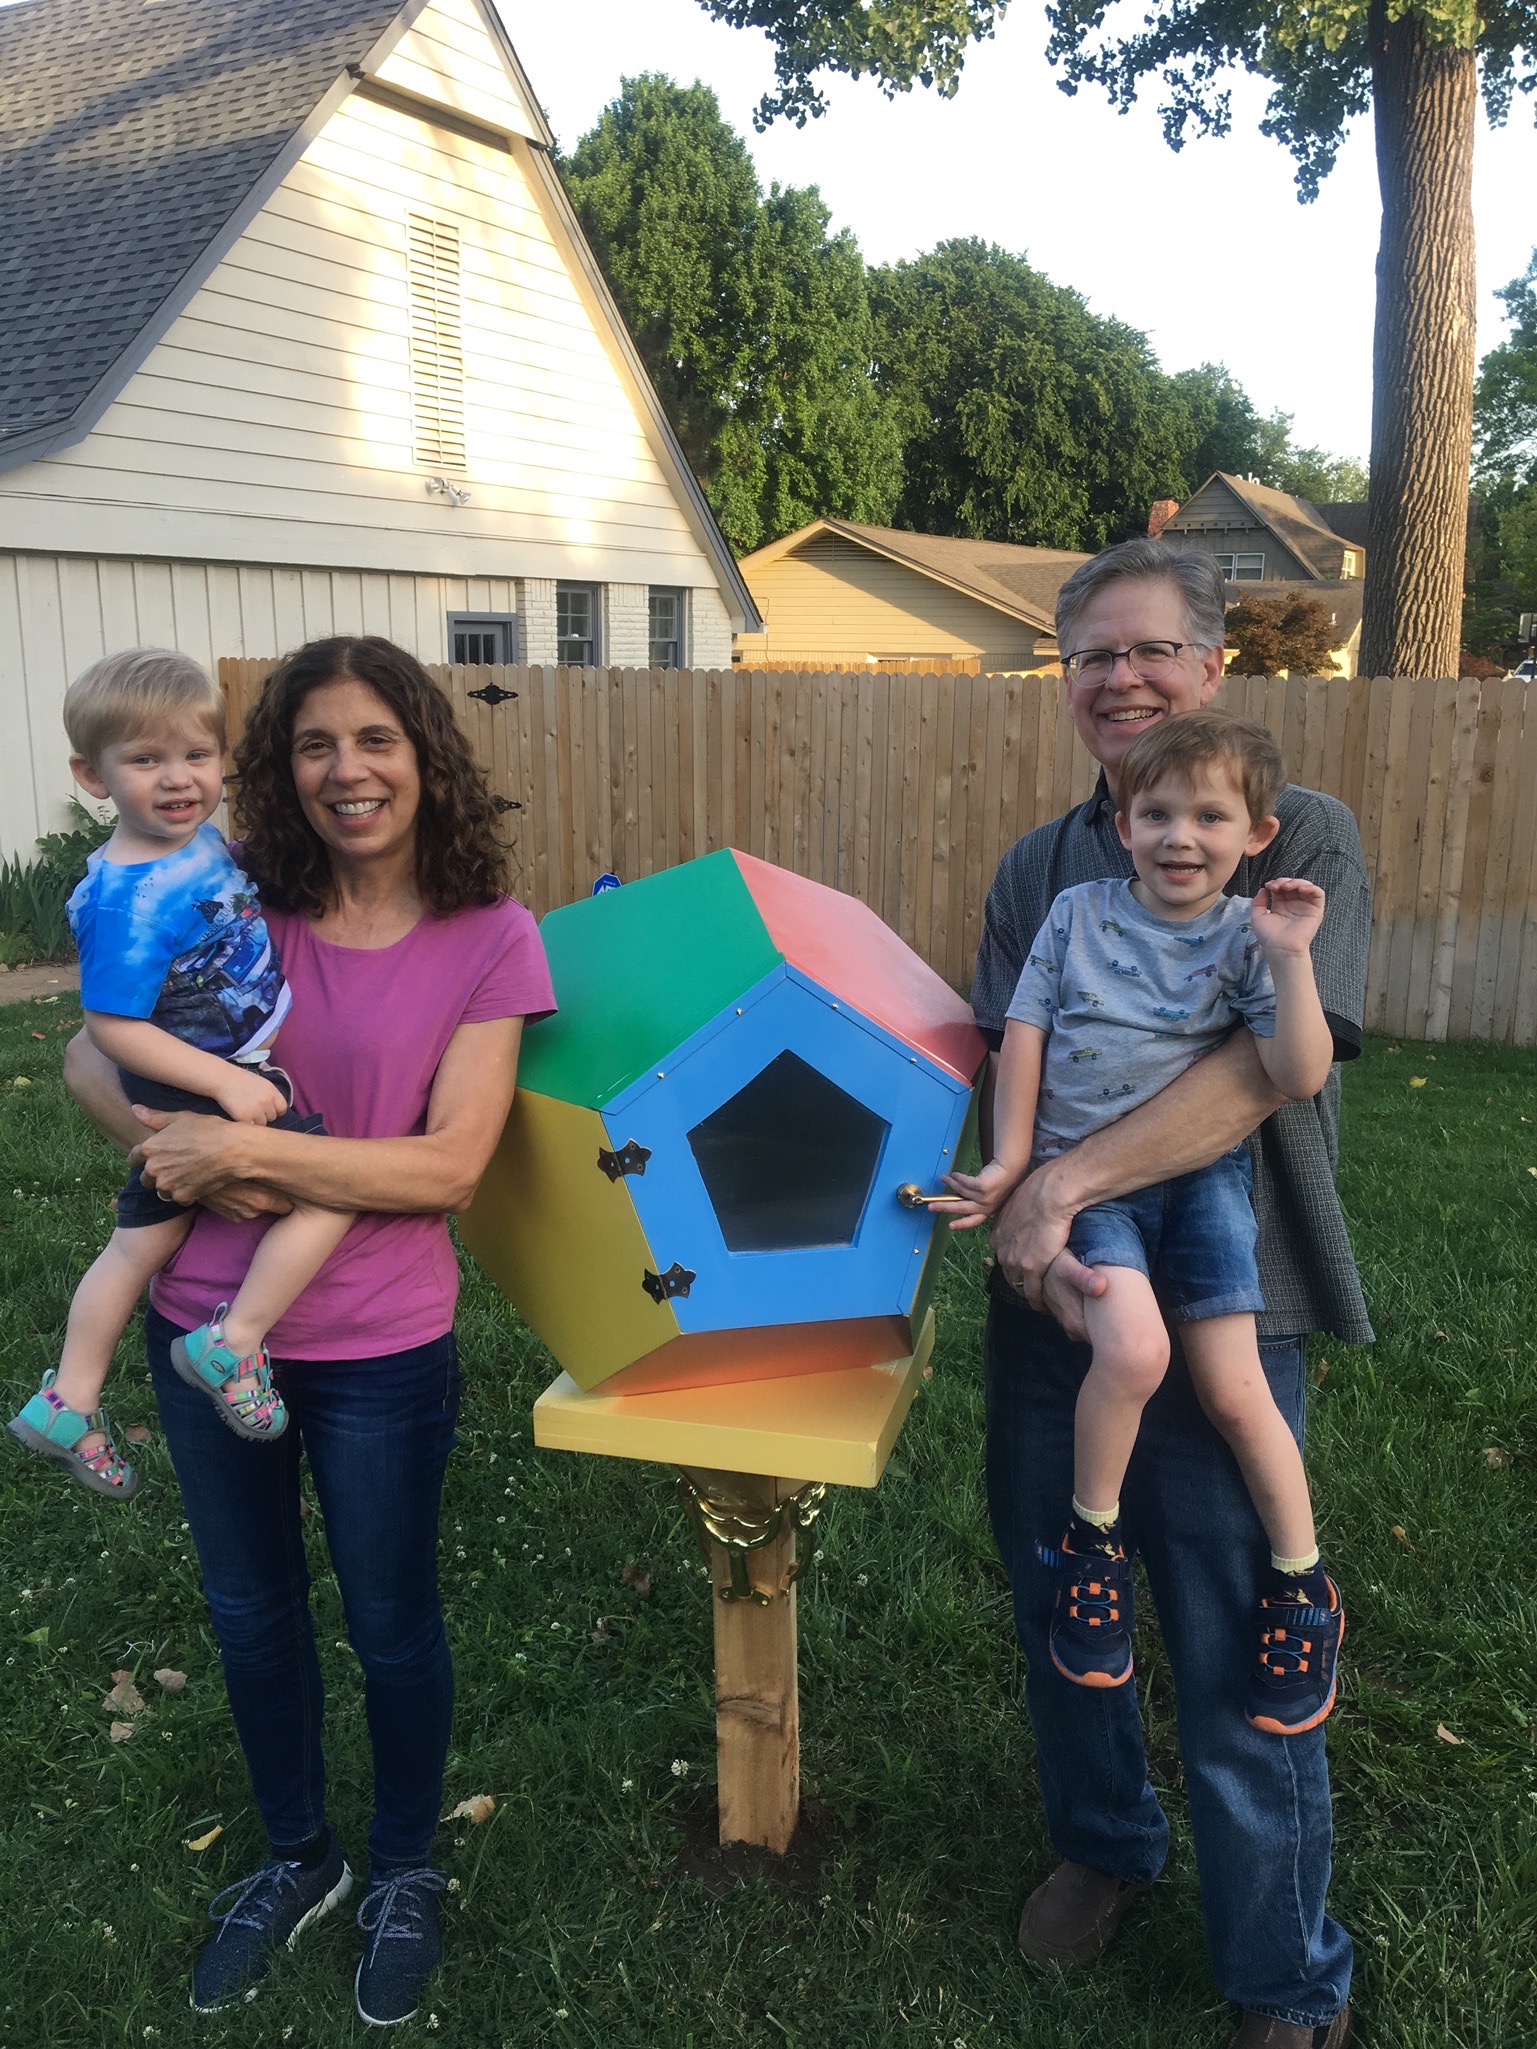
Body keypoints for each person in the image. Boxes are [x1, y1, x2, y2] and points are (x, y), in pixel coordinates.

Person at [61, 635, 554, 2028]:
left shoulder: (488, 933)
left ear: (423, 752)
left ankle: (403, 1863)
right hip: (197, 1323)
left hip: (382, 1344)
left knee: (391, 1623)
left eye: (375, 738)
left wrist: (252, 1170)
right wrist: (178, 1146)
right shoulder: (232, 898)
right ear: (280, 769)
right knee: (249, 1615)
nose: (347, 770)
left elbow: (448, 1167)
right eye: (313, 744)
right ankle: (297, 1857)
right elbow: (89, 1054)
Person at [970, 541, 1370, 2049]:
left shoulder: (1290, 833)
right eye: (1090, 657)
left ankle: (1281, 1972)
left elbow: (1254, 1079)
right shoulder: (1040, 868)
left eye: (1147, 651)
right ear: (1064, 682)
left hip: (1229, 1278)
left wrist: (1057, 1186)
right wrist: (1017, 1205)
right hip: (1056, 1290)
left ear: (1213, 665)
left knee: (1228, 1623)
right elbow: (1003, 1046)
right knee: (1064, 1587)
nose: (1118, 680)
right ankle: (1105, 1839)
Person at [947, 710, 1341, 1738]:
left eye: (1210, 817)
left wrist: (1291, 958)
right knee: (1129, 1351)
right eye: (1155, 812)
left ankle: (1303, 1585)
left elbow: (1294, 1074)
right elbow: (1021, 1030)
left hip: (1203, 1182)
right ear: (1121, 825)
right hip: (1101, 1193)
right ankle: (1092, 1545)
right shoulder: (1076, 913)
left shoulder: (1250, 933)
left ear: (1256, 835)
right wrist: (1010, 1161)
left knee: (1231, 1385)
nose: (1179, 836)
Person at [10, 650, 355, 1496]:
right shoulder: (126, 897)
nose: (177, 779)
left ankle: (68, 1396)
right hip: (200, 1077)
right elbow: (112, 1025)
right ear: (92, 775)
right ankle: (232, 1342)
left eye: (196, 756)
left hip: (211, 1065)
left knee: (138, 1246)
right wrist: (227, 1082)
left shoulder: (186, 842)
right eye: (145, 760)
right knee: (332, 1190)